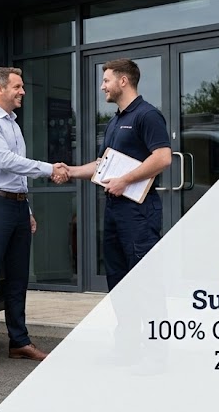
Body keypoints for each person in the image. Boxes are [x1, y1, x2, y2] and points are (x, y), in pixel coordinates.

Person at [0, 67, 67, 369]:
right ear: (0, 89)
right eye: (17, 87)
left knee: (18, 277)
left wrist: (28, 210)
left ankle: (19, 342)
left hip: (16, 207)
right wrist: (50, 168)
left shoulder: (13, 123)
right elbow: (6, 162)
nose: (23, 91)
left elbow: (18, 175)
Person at [63, 58, 172, 289]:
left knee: (145, 279)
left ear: (123, 81)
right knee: (117, 278)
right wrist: (70, 171)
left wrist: (125, 180)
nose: (102, 86)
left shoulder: (147, 115)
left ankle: (152, 326)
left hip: (139, 212)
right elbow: (102, 165)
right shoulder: (114, 121)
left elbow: (163, 157)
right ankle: (125, 326)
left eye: (106, 80)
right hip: (114, 209)